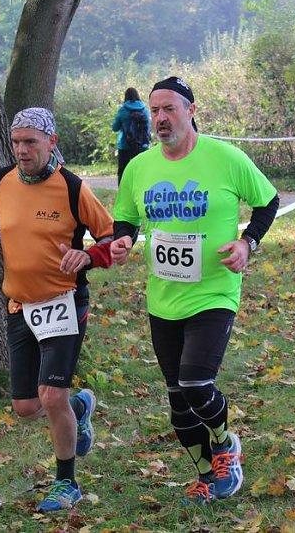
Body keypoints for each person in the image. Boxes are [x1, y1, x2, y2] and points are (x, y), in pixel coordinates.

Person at [109, 77, 280, 505]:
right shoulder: (139, 167)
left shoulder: (225, 158)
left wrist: (247, 242)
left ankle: (225, 445)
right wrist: (123, 240)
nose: (161, 118)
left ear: (191, 110)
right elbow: (126, 217)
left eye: (169, 108)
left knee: (196, 383)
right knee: (177, 400)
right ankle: (206, 474)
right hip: (163, 297)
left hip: (214, 292)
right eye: (154, 111)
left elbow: (268, 200)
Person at [0, 107, 114, 513]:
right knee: (26, 407)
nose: (21, 149)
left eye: (30, 142)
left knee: (52, 394)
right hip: (19, 304)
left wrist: (87, 256)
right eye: (16, 141)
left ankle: (66, 482)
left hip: (65, 303)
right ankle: (79, 407)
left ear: (51, 142)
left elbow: (113, 238)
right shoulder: (0, 180)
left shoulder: (72, 188)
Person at [111, 87, 151, 184]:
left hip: (124, 145)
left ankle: (122, 191)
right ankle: (141, 189)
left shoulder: (122, 110)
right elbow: (148, 128)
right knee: (141, 170)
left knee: (123, 170)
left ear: (126, 97)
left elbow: (115, 127)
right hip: (142, 145)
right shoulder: (144, 110)